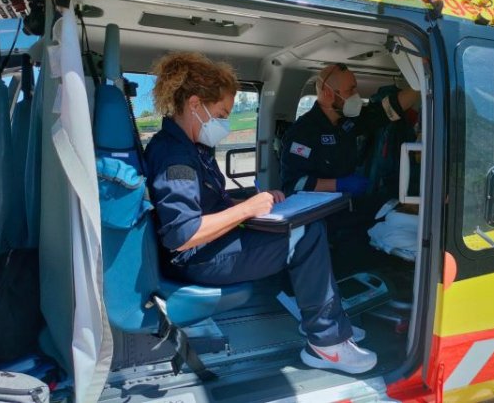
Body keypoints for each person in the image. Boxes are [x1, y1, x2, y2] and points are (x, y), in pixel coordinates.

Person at [144, 52, 377, 374]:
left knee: (301, 224)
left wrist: (260, 202)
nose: (224, 123)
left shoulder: (193, 146)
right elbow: (182, 235)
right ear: (196, 105)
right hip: (198, 258)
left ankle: (328, 322)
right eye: (222, 113)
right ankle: (327, 344)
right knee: (309, 233)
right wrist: (248, 209)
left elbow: (208, 204)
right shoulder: (175, 157)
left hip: (211, 245)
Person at [280, 64, 420, 261]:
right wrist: (339, 184)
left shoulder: (348, 120)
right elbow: (293, 185)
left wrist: (422, 82)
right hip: (322, 218)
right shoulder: (303, 132)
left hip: (350, 205)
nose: (356, 94)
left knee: (396, 208)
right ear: (328, 93)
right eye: (350, 90)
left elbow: (386, 110)